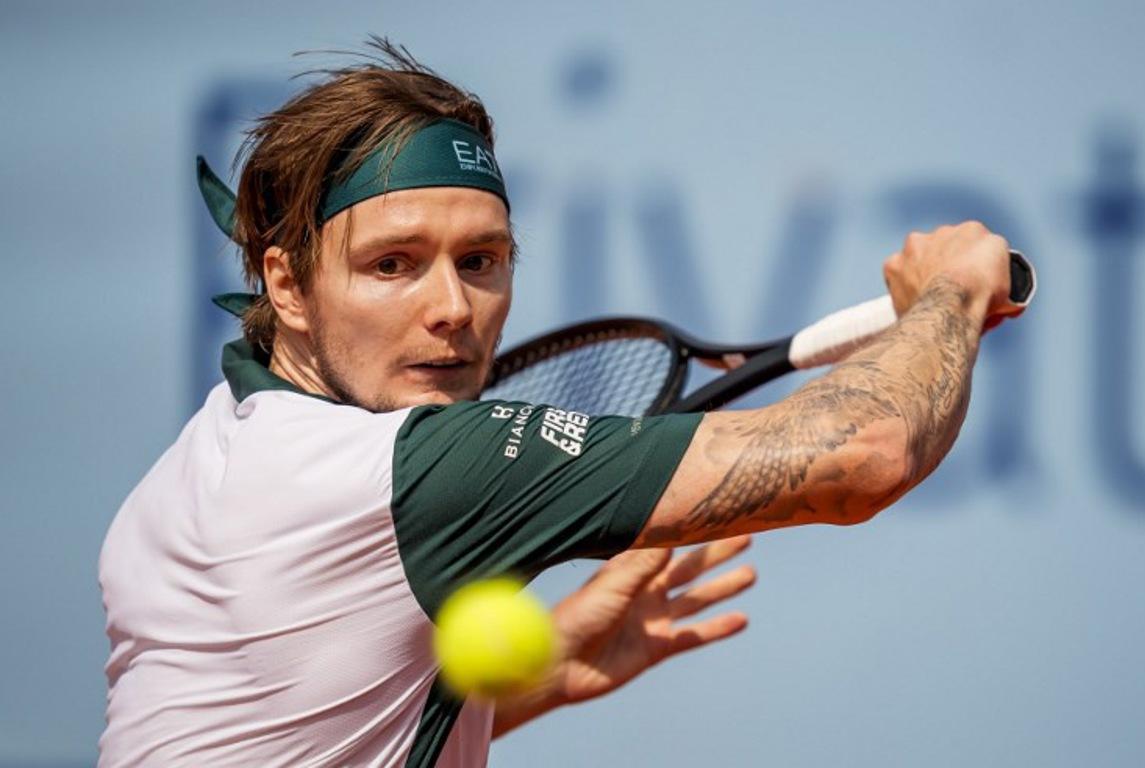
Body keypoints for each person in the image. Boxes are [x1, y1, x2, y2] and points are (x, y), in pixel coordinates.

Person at [98, 38, 1022, 767]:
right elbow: (868, 454)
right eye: (392, 264)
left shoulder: (185, 477)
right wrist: (951, 292)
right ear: (288, 286)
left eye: (481, 260)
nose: (452, 307)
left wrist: (540, 676)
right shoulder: (401, 470)